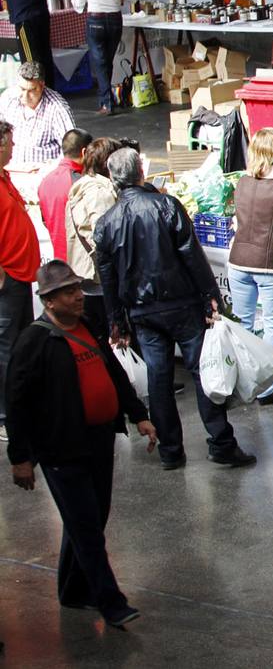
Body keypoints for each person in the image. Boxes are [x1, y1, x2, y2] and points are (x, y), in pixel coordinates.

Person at [5, 259, 156, 629]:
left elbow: (114, 373)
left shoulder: (87, 325)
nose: (78, 296)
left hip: (99, 439)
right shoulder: (34, 341)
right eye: (68, 292)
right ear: (49, 301)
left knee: (92, 518)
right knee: (86, 527)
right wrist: (20, 458)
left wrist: (138, 415)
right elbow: (16, 402)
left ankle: (72, 590)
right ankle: (110, 602)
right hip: (60, 449)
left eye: (76, 289)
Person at [94, 148, 252, 470]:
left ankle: (170, 450)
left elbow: (108, 280)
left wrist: (117, 321)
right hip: (181, 305)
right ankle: (220, 442)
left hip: (142, 313)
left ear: (114, 179)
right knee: (203, 371)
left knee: (159, 379)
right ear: (140, 172)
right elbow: (191, 254)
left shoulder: (106, 224)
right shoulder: (165, 206)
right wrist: (211, 294)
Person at [228, 129, 273, 355]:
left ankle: (245, 380)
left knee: (242, 326)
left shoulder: (242, 182)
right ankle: (268, 388)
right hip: (271, 265)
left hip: (237, 261)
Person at [0, 121, 40, 428]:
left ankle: (24, 404)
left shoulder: (4, 177)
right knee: (7, 348)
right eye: (10, 142)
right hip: (7, 280)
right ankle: (5, 416)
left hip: (19, 275)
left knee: (22, 343)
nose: (14, 147)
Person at [66, 138, 122, 337]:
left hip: (89, 275)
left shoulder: (82, 186)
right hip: (99, 278)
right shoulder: (100, 192)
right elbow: (103, 236)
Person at [72, 0, 138, 113]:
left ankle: (106, 102)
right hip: (114, 21)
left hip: (95, 21)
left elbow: (79, 5)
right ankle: (107, 100)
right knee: (107, 61)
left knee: (101, 62)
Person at [0, 61, 75, 169]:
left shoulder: (57, 108)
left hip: (41, 175)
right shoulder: (8, 97)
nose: (25, 95)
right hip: (10, 170)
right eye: (22, 89)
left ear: (42, 85)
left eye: (31, 90)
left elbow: (71, 150)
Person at [39, 128, 91, 261]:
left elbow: (45, 220)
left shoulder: (45, 182)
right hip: (82, 260)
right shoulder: (80, 183)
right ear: (84, 152)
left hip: (59, 259)